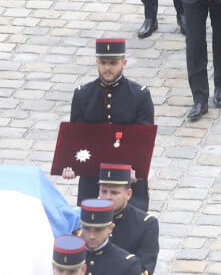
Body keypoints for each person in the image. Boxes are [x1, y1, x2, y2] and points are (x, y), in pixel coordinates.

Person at [62, 39, 154, 211]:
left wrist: (136, 169)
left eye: (113, 63)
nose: (107, 68)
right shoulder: (83, 94)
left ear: (124, 63)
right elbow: (76, 137)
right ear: (97, 62)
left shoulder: (140, 96)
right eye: (103, 63)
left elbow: (143, 141)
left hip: (128, 178)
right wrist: (71, 164)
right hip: (93, 178)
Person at [98, 163, 159, 275]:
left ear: (128, 194)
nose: (107, 197)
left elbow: (144, 269)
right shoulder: (87, 220)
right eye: (104, 191)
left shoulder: (146, 225)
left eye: (114, 193)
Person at [79, 199, 143, 275]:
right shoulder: (70, 257)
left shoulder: (127, 265)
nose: (92, 236)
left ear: (110, 228)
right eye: (87, 229)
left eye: (98, 230)